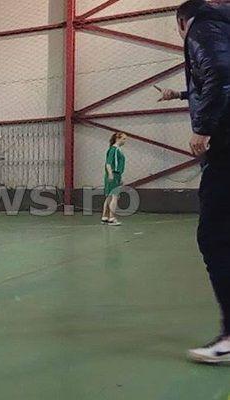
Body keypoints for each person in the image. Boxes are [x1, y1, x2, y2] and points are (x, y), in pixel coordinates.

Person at [161, 0, 230, 363]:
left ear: (181, 22)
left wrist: (202, 128)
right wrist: (180, 94)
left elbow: (220, 72)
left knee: (215, 237)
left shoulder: (201, 26)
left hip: (226, 146)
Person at [101, 133, 127, 226]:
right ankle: (111, 218)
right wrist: (111, 174)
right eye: (123, 139)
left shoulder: (117, 150)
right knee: (114, 196)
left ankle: (105, 217)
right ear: (117, 138)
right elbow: (108, 163)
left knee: (109, 196)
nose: (125, 141)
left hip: (116, 175)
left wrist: (120, 177)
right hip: (114, 174)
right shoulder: (114, 150)